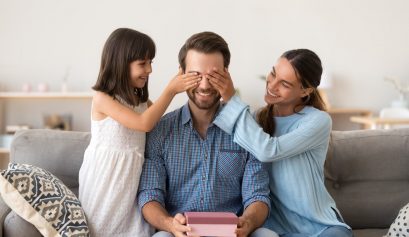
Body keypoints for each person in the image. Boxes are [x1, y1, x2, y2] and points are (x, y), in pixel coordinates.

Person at [138, 31, 278, 237]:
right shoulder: (161, 131)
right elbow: (149, 195)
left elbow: (258, 195)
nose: (204, 86)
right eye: (195, 75)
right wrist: (170, 224)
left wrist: (247, 222)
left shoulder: (247, 130)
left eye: (213, 76)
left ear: (226, 74)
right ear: (181, 74)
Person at [208, 49, 353, 237]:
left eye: (284, 84)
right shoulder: (257, 119)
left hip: (320, 227)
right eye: (273, 74)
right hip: (274, 229)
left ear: (305, 91)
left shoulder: (317, 121)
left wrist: (230, 97)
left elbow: (268, 150)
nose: (272, 85)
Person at [78, 28, 200, 237]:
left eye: (150, 62)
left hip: (129, 182)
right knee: (100, 228)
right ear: (120, 63)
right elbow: (144, 123)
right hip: (105, 182)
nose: (150, 70)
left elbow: (160, 123)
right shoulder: (103, 98)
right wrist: (171, 89)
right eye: (142, 63)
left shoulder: (141, 102)